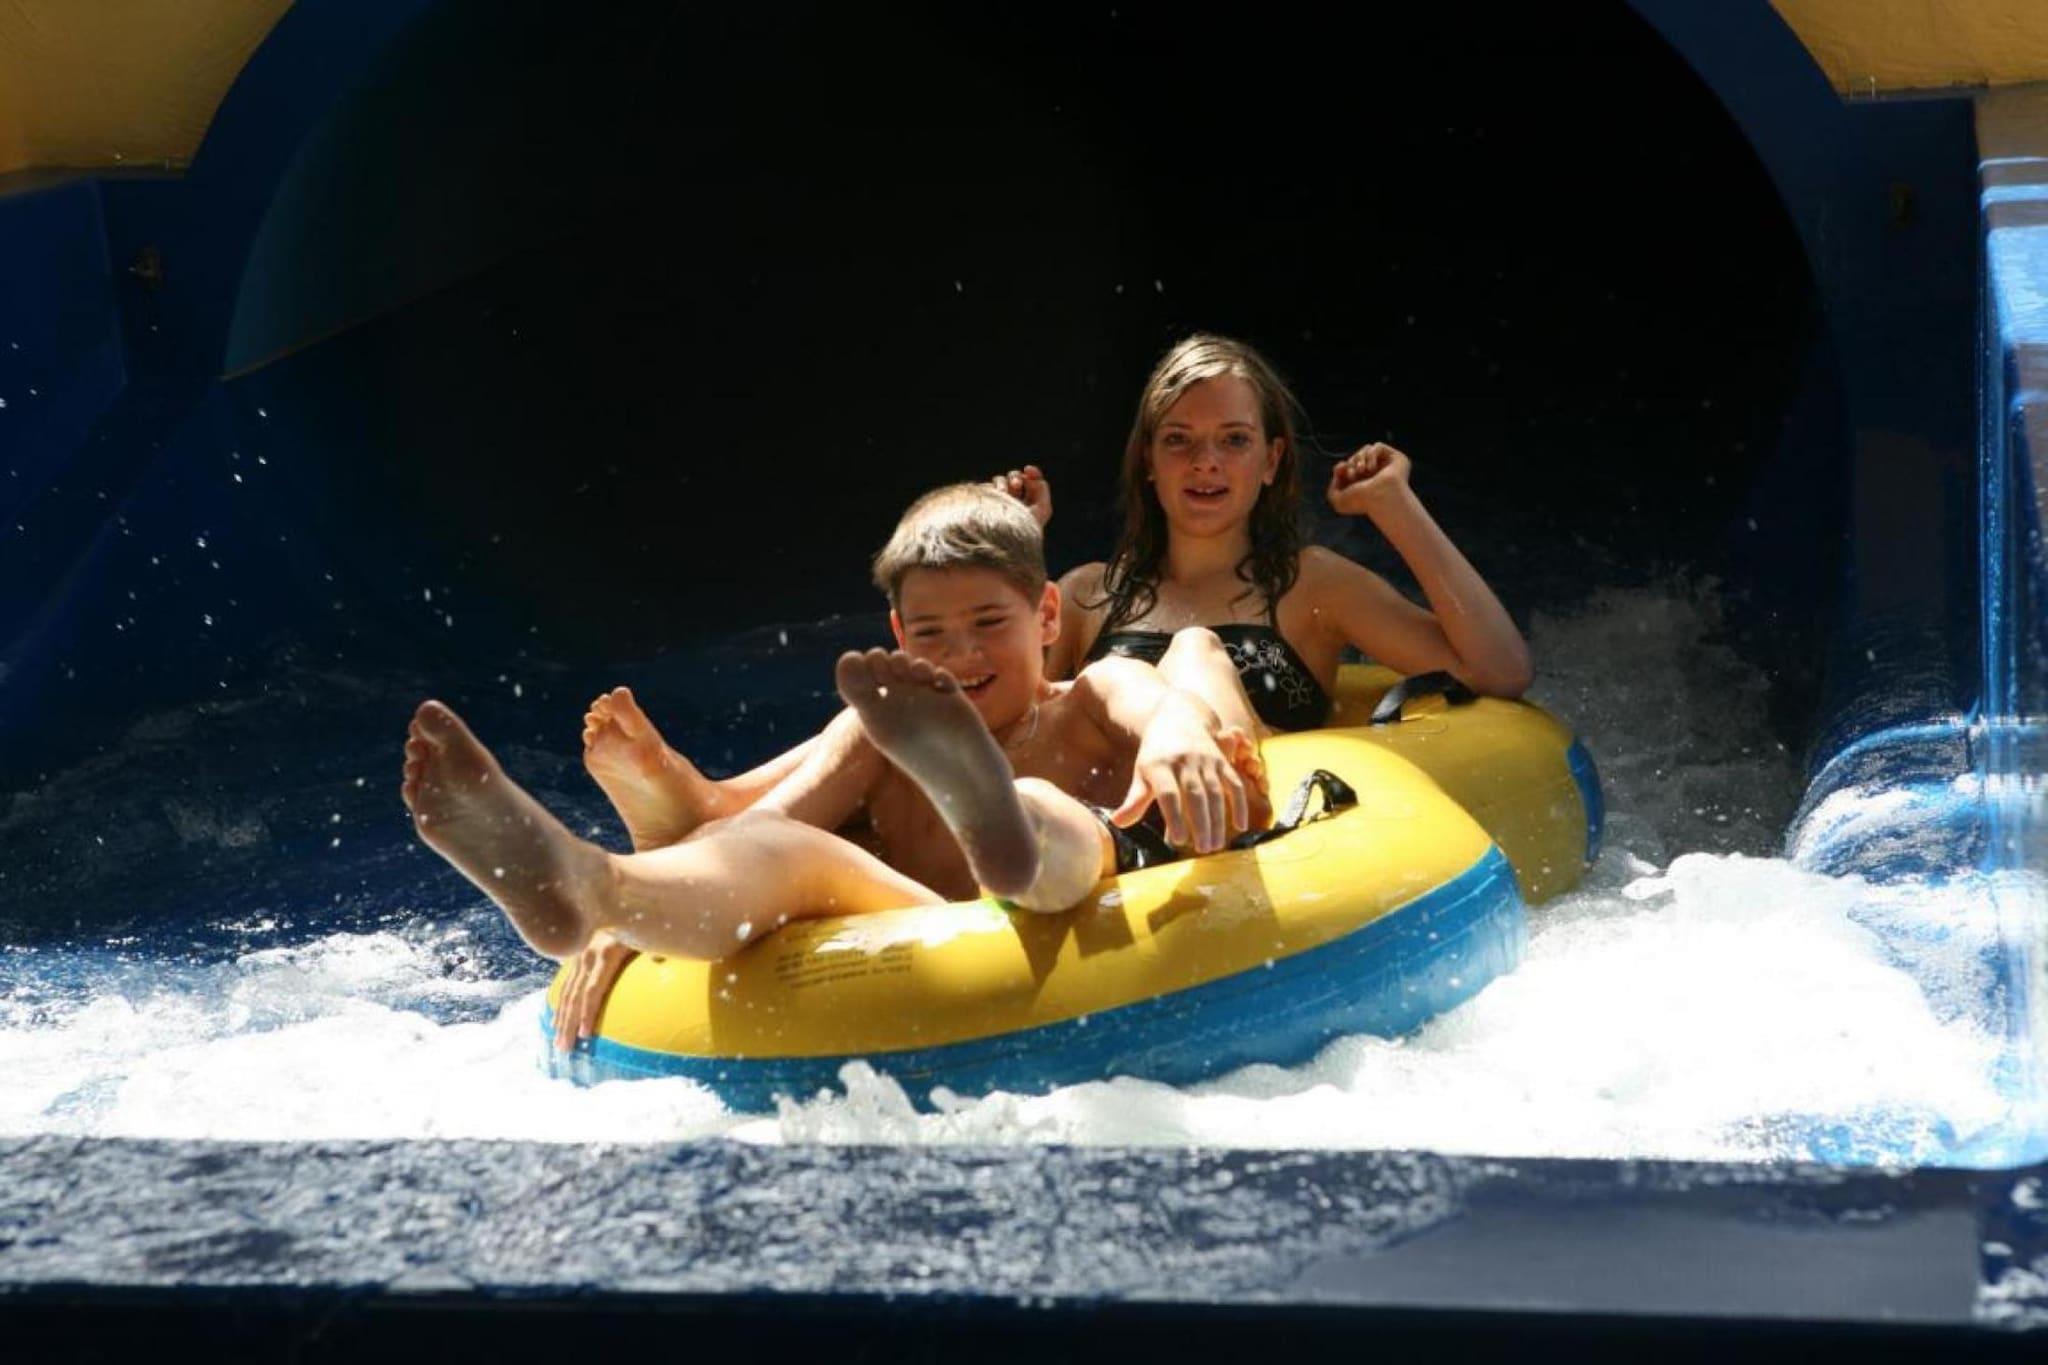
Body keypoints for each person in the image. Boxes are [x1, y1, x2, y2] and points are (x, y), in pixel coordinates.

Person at [402, 484, 1270, 1050]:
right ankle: (590, 884)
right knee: (790, 850)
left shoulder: (1093, 695)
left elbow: (1154, 701)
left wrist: (1176, 727)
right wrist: (625, 920)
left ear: (1047, 616)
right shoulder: (880, 729)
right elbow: (752, 832)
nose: (961, 655)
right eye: (930, 633)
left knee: (1045, 810)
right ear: (896, 634)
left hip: (1081, 897)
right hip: (942, 931)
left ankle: (1003, 823)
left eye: (988, 624)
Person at [995, 332, 1532, 740]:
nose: (1206, 462)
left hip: (1254, 832)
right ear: (1149, 462)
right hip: (1111, 824)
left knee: (1197, 659)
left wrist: (1395, 505)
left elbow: (1499, 671)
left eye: (1234, 440)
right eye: (1179, 440)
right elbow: (1006, 729)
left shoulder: (1313, 586)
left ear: (1271, 460)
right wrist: (1008, 550)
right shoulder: (1089, 595)